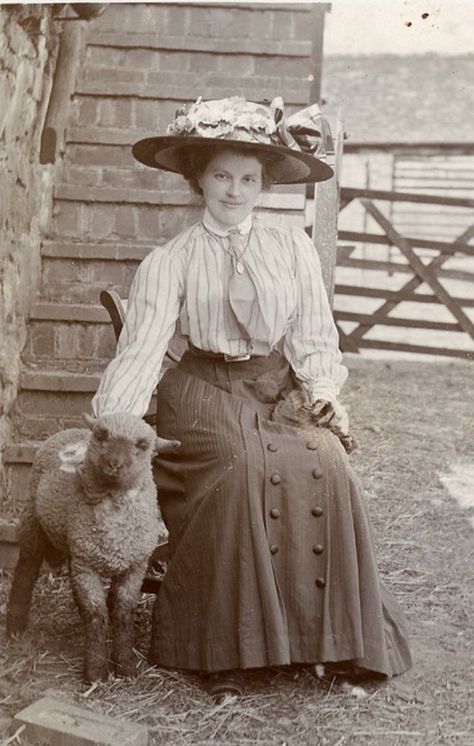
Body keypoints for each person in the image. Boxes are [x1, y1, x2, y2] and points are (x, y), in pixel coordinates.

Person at [92, 96, 412, 700]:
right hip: (201, 388)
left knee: (328, 462)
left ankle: (332, 641)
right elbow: (140, 352)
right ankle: (227, 650)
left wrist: (320, 393)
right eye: (220, 176)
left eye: (247, 178)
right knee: (241, 468)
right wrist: (115, 424)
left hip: (275, 386)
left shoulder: (291, 249)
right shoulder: (171, 261)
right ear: (198, 180)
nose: (234, 191)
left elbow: (313, 335)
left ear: (264, 184)